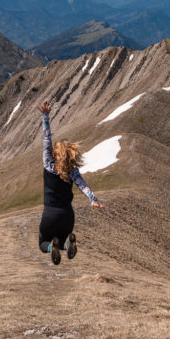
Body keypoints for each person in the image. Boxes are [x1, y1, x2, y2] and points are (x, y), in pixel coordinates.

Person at [36, 101, 104, 265]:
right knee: (63, 239)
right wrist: (93, 201)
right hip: (67, 216)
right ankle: (67, 243)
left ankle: (51, 246)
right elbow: (83, 186)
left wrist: (45, 116)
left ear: (55, 154)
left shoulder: (48, 163)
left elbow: (47, 137)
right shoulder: (73, 171)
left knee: (42, 242)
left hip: (50, 214)